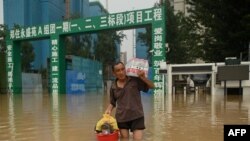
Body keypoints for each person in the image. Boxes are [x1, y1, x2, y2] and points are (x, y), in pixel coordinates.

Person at [105, 61, 155, 140]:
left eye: (122, 69)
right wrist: (108, 110)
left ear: (125, 69)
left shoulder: (135, 80)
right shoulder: (113, 87)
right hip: (122, 118)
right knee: (124, 139)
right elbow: (112, 102)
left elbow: (152, 86)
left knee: (137, 139)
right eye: (118, 71)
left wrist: (143, 78)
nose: (121, 72)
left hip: (137, 116)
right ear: (114, 73)